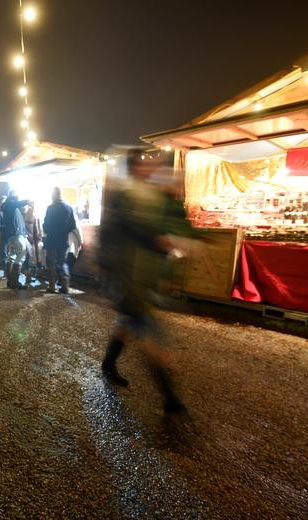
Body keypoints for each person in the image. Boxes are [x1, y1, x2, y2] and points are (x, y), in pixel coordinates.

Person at [99, 148, 203, 415]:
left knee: (126, 321)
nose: (152, 168)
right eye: (145, 164)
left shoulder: (152, 195)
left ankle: (108, 364)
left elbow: (163, 227)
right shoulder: (126, 196)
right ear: (134, 168)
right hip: (128, 276)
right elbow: (130, 229)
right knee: (150, 333)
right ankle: (170, 398)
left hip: (143, 275)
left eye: (153, 164)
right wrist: (160, 240)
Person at [43, 187, 76, 294]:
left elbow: (46, 225)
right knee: (63, 263)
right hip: (63, 241)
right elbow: (73, 225)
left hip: (52, 240)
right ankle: (65, 286)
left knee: (51, 263)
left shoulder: (50, 208)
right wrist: (64, 231)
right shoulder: (69, 208)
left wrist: (48, 230)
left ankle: (52, 286)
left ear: (53, 195)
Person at [0, 191, 30, 289]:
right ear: (14, 197)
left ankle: (10, 281)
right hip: (17, 235)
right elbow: (20, 203)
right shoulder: (10, 204)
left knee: (11, 257)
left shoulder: (8, 205)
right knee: (20, 256)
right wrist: (28, 201)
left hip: (12, 235)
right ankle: (14, 281)